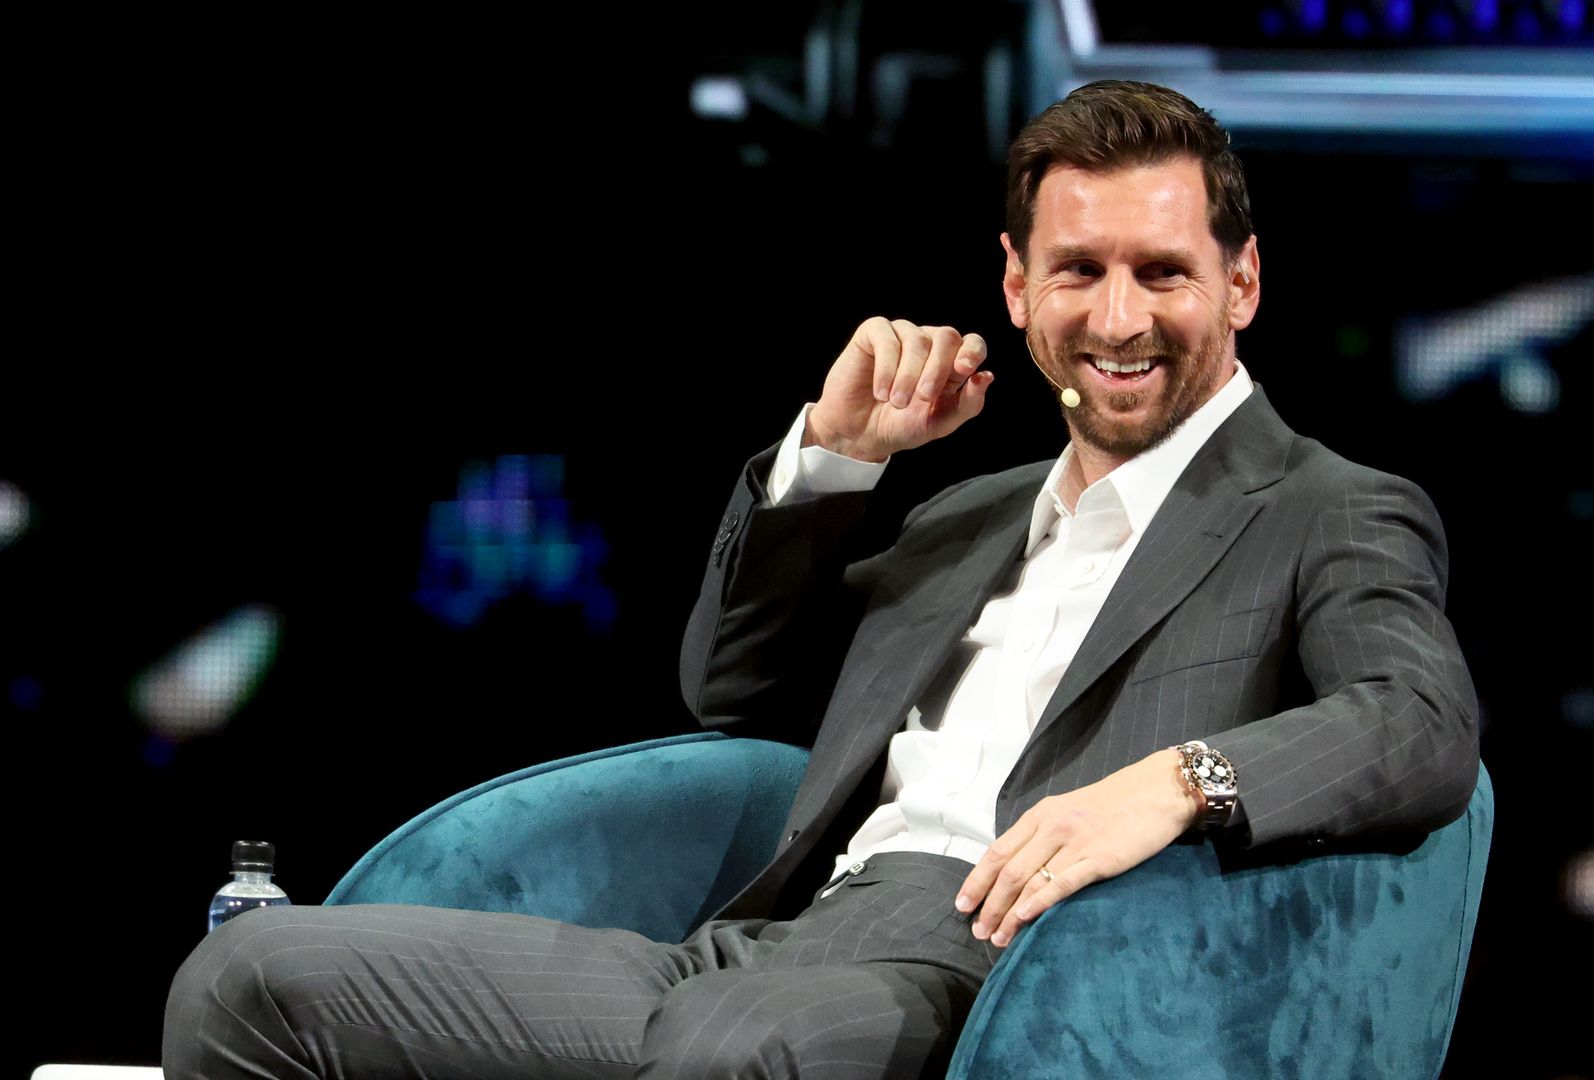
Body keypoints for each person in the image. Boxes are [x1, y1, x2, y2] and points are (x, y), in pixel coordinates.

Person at [163, 79, 1479, 1079]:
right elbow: (729, 683)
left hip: (996, 967)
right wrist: (838, 461)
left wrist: (1175, 784)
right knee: (249, 977)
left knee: (743, 1050)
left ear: (1240, 283)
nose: (1120, 318)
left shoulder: (1327, 506)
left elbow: (1420, 731)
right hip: (764, 940)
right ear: (1017, 289)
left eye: (1165, 273)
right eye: (1079, 270)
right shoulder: (967, 514)